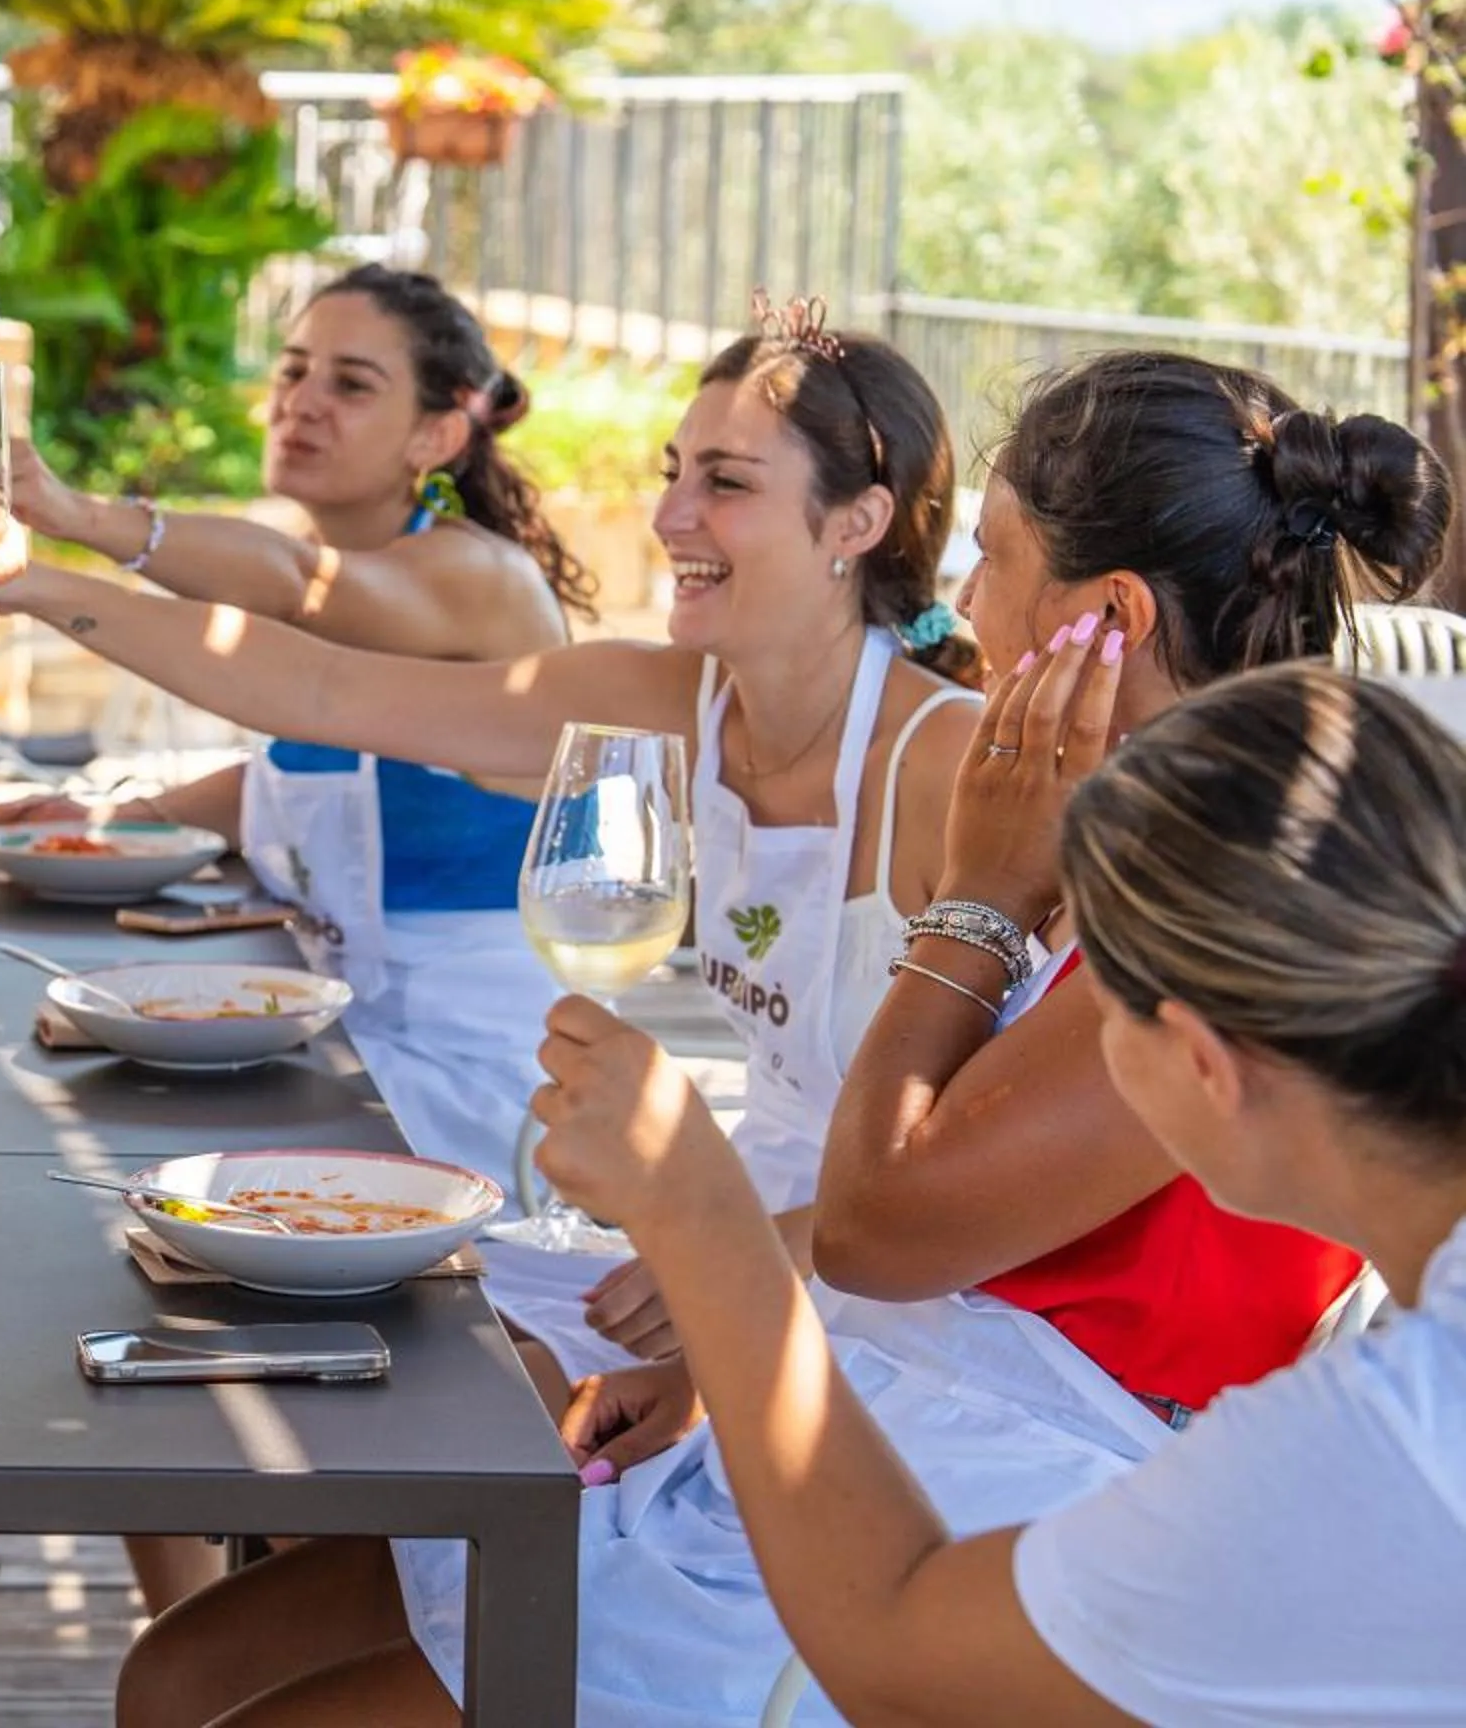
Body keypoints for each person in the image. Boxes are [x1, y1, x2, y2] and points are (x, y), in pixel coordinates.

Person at [111, 351, 1448, 1726]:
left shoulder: (1212, 896)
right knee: (179, 1677)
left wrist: (978, 905)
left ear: (1109, 611)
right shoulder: (1113, 828)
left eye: (993, 558)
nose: (964, 601)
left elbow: (876, 1225)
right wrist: (707, 1354)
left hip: (999, 1503)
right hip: (862, 1399)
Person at [0, 264, 588, 1643]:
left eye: (350, 383)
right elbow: (314, 757)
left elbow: (299, 598)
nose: (301, 401)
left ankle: (51, 1535)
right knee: (96, 1169)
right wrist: (116, 804)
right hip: (347, 1042)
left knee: (114, 1207)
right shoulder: (358, 587)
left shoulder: (472, 580)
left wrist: (63, 525)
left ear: (445, 433)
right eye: (295, 369)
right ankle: (169, 1598)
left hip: (462, 1080)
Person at [2, 304, 983, 1383]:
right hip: (727, 1234)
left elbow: (1011, 1150)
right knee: (309, 1326)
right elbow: (318, 685)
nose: (669, 515)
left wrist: (743, 1257)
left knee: (403, 1367)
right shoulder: (667, 700)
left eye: (726, 482)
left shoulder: (952, 768)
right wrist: (32, 587)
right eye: (673, 473)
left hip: (894, 1294)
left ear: (858, 522)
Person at [521, 661, 1466, 1726]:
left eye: (1084, 999)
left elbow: (894, 1655)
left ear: (1202, 1061)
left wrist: (696, 1211)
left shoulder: (1393, 1442)